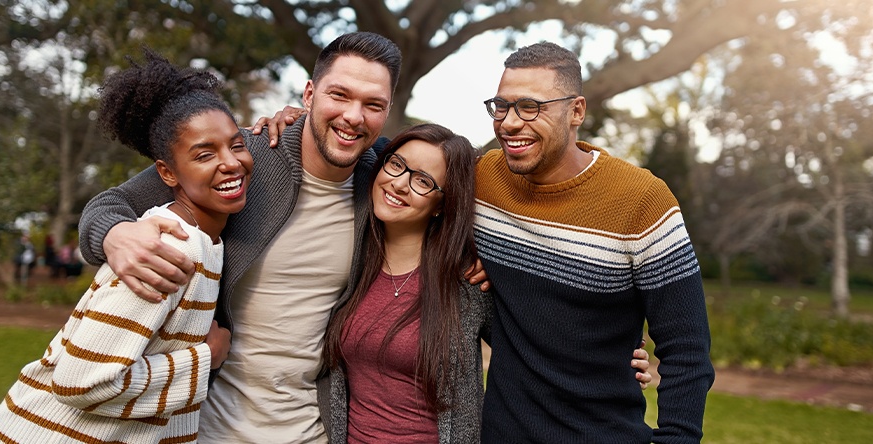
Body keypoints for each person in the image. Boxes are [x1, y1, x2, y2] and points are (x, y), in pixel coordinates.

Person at [76, 32, 404, 442]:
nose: (354, 116)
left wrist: (473, 256)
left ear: (387, 110)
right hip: (206, 426)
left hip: (311, 430)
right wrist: (115, 234)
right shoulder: (241, 157)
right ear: (309, 94)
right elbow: (108, 205)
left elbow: (445, 175)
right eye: (339, 95)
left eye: (373, 104)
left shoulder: (385, 187)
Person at [0, 48, 248, 443]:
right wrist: (205, 359)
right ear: (167, 173)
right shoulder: (166, 246)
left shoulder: (207, 242)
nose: (231, 162)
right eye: (205, 154)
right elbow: (79, 383)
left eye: (237, 145)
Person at [475, 42, 714, 443]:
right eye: (501, 106)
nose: (510, 123)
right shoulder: (483, 178)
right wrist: (465, 259)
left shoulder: (641, 200)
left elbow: (687, 348)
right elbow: (402, 175)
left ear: (577, 111)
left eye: (531, 106)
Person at [322, 123, 490, 443]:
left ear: (442, 205)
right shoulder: (354, 257)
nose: (399, 184)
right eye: (397, 165)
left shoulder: (467, 280)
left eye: (423, 181)